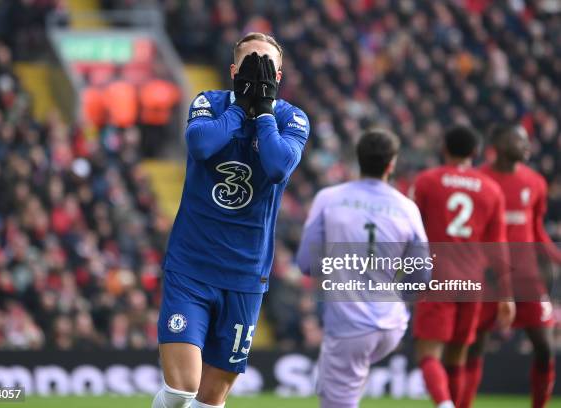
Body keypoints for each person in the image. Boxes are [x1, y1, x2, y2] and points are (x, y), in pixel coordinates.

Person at [152, 32, 310, 408]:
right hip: (192, 268)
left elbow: (276, 166)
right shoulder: (209, 102)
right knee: (180, 390)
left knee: (210, 399)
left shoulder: (292, 117)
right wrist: (241, 106)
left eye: (266, 65)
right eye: (251, 64)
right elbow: (201, 145)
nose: (258, 72)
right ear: (233, 70)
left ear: (279, 75)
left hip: (244, 276)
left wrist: (265, 110)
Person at [296, 128, 431, 408]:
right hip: (392, 324)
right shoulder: (407, 208)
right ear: (391, 164)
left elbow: (307, 263)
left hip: (350, 322)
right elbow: (422, 274)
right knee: (341, 384)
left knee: (338, 400)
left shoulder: (329, 198)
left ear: (358, 159)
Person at [410, 125, 515, 408]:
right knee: (458, 356)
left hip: (438, 276)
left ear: (444, 149)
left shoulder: (427, 182)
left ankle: (445, 404)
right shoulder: (491, 189)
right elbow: (498, 246)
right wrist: (506, 294)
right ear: (475, 153)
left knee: (429, 353)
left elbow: (409, 229)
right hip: (472, 281)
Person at [463, 125, 561, 408]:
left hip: (527, 279)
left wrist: (557, 257)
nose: (526, 145)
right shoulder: (479, 180)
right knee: (474, 347)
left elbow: (537, 231)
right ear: (498, 143)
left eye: (526, 140)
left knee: (544, 348)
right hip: (487, 277)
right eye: (519, 139)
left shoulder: (536, 183)